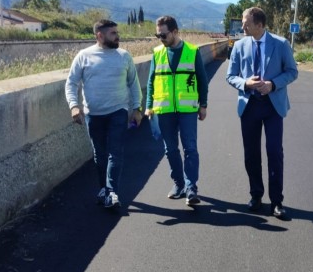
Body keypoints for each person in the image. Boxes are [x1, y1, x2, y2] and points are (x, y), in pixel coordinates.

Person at [226, 7, 299, 218]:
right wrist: (246, 83)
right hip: (249, 106)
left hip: (273, 106)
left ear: (259, 25)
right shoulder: (239, 46)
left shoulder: (281, 44)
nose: (242, 26)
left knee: (274, 152)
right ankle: (256, 195)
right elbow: (230, 76)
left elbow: (292, 72)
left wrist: (273, 84)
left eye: (246, 23)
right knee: (251, 154)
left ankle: (277, 201)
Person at [65, 19, 143, 208]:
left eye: (117, 32)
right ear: (99, 35)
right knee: (99, 154)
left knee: (115, 154)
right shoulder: (84, 56)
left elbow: (134, 83)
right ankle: (104, 189)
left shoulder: (124, 56)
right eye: (113, 33)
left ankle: (111, 193)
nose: (118, 36)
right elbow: (71, 83)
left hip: (118, 111)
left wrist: (137, 108)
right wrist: (74, 106)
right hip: (93, 114)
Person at [146, 15, 209, 206]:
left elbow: (202, 79)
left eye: (163, 35)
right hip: (164, 109)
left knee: (190, 148)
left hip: (187, 108)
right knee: (170, 149)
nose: (160, 39)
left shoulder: (192, 51)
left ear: (175, 32)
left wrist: (203, 105)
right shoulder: (157, 53)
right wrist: (149, 106)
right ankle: (179, 184)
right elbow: (151, 81)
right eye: (158, 36)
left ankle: (191, 188)